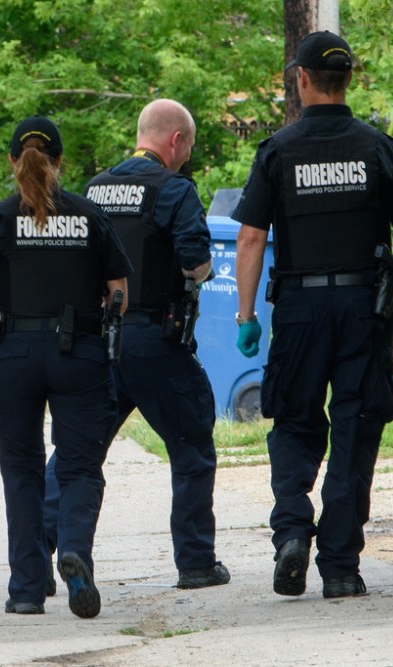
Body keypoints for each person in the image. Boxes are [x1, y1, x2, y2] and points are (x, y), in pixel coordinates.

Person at [233, 31, 393, 599]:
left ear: (300, 79)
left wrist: (247, 314)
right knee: (355, 426)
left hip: (297, 309)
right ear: (348, 80)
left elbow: (250, 239)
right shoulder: (379, 148)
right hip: (362, 308)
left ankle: (293, 531)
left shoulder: (277, 151)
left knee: (294, 422)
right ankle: (340, 566)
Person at [43, 99, 230, 591]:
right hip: (154, 340)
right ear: (175, 141)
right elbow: (195, 262)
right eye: (187, 148)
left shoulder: (95, 188)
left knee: (76, 454)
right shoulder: (175, 189)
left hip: (97, 341)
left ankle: (38, 551)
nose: (186, 158)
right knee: (191, 445)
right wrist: (200, 273)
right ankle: (195, 562)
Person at [0, 115, 133, 619]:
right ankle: (74, 549)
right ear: (60, 161)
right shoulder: (90, 216)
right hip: (79, 354)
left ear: (14, 161)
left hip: (14, 358)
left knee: (22, 472)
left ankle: (27, 590)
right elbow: (119, 293)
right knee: (78, 466)